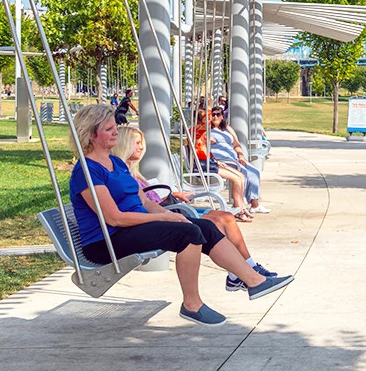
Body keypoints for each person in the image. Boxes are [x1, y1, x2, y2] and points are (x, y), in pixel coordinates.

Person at [68, 104, 293, 327]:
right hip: (106, 241)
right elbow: (114, 218)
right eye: (109, 129)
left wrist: (171, 214)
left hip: (131, 229)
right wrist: (163, 218)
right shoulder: (86, 171)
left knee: (205, 227)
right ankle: (192, 304)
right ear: (91, 134)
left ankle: (254, 281)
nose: (116, 131)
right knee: (188, 234)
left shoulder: (116, 162)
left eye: (115, 127)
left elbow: (145, 202)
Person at [114, 125, 281, 290]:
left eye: (141, 142)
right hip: (168, 212)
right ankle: (238, 274)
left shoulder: (133, 173)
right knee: (213, 222)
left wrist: (175, 194)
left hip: (170, 207)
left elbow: (148, 198)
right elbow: (137, 205)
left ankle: (247, 267)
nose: (141, 147)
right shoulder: (122, 175)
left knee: (227, 217)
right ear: (124, 144)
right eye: (136, 143)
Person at [208, 106, 269, 214]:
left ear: (223, 117)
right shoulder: (207, 130)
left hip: (234, 158)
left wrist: (241, 156)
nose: (215, 117)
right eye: (213, 114)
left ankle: (255, 204)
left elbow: (236, 144)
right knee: (243, 173)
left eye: (218, 114)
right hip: (222, 160)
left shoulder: (227, 128)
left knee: (254, 172)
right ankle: (239, 205)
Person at [193, 111, 252, 221]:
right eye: (209, 117)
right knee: (236, 179)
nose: (212, 119)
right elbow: (200, 150)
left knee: (241, 176)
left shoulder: (203, 133)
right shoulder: (197, 131)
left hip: (210, 162)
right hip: (202, 165)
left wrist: (215, 160)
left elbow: (206, 151)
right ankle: (240, 210)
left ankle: (240, 206)